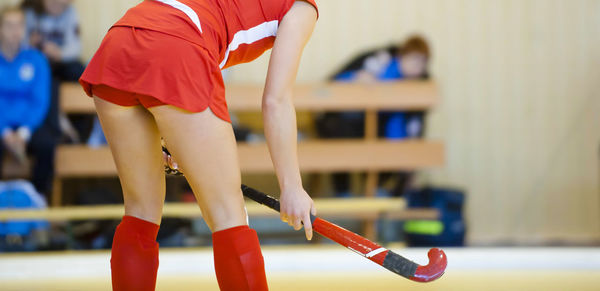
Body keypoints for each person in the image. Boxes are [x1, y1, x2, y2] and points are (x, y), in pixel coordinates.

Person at [78, 0, 318, 290]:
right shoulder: (303, 6)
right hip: (178, 46)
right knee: (229, 215)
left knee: (140, 211)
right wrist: (291, 186)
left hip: (120, 42)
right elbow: (275, 101)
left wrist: (174, 138)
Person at [316, 35, 431, 197]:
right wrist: (357, 79)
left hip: (381, 130)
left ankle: (378, 188)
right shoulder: (378, 62)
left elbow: (407, 126)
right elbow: (334, 83)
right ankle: (344, 191)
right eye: (414, 60)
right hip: (350, 120)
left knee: (388, 146)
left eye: (422, 63)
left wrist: (408, 162)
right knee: (340, 134)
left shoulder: (416, 87)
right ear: (402, 56)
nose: (417, 68)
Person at [0, 5, 54, 198]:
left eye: (19, 25)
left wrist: (23, 133)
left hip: (29, 126)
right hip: (2, 125)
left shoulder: (36, 59)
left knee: (47, 145)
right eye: (9, 25)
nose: (15, 31)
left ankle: (39, 200)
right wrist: (5, 133)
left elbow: (40, 101)